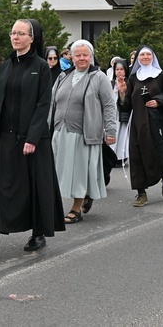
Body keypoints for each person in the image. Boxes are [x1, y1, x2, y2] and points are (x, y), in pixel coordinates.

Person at [0, 19, 65, 258]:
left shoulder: (41, 67)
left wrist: (32, 138)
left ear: (32, 38)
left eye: (21, 33)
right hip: (5, 138)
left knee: (33, 187)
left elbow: (44, 104)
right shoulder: (5, 66)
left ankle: (37, 234)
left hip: (31, 140)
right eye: (13, 32)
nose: (15, 37)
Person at [49, 40, 116, 224]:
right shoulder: (63, 76)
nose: (81, 58)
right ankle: (83, 195)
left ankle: (76, 208)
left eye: (85, 54)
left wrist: (110, 130)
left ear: (91, 55)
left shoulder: (98, 77)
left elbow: (109, 105)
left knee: (79, 172)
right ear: (71, 57)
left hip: (84, 133)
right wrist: (46, 127)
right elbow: (52, 103)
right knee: (59, 171)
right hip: (60, 131)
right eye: (77, 55)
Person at [116, 46, 163, 207]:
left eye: (148, 54)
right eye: (142, 54)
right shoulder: (133, 78)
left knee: (158, 152)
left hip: (157, 122)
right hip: (137, 124)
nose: (145, 57)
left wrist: (159, 101)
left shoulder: (162, 76)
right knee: (136, 156)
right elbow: (127, 106)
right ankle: (141, 193)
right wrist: (121, 94)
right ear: (138, 58)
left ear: (153, 57)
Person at [110, 58, 131, 168]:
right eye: (117, 69)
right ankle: (111, 157)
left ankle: (120, 157)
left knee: (122, 135)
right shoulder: (110, 83)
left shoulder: (128, 83)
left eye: (121, 69)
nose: (119, 71)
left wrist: (122, 93)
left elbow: (127, 102)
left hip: (121, 114)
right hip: (111, 114)